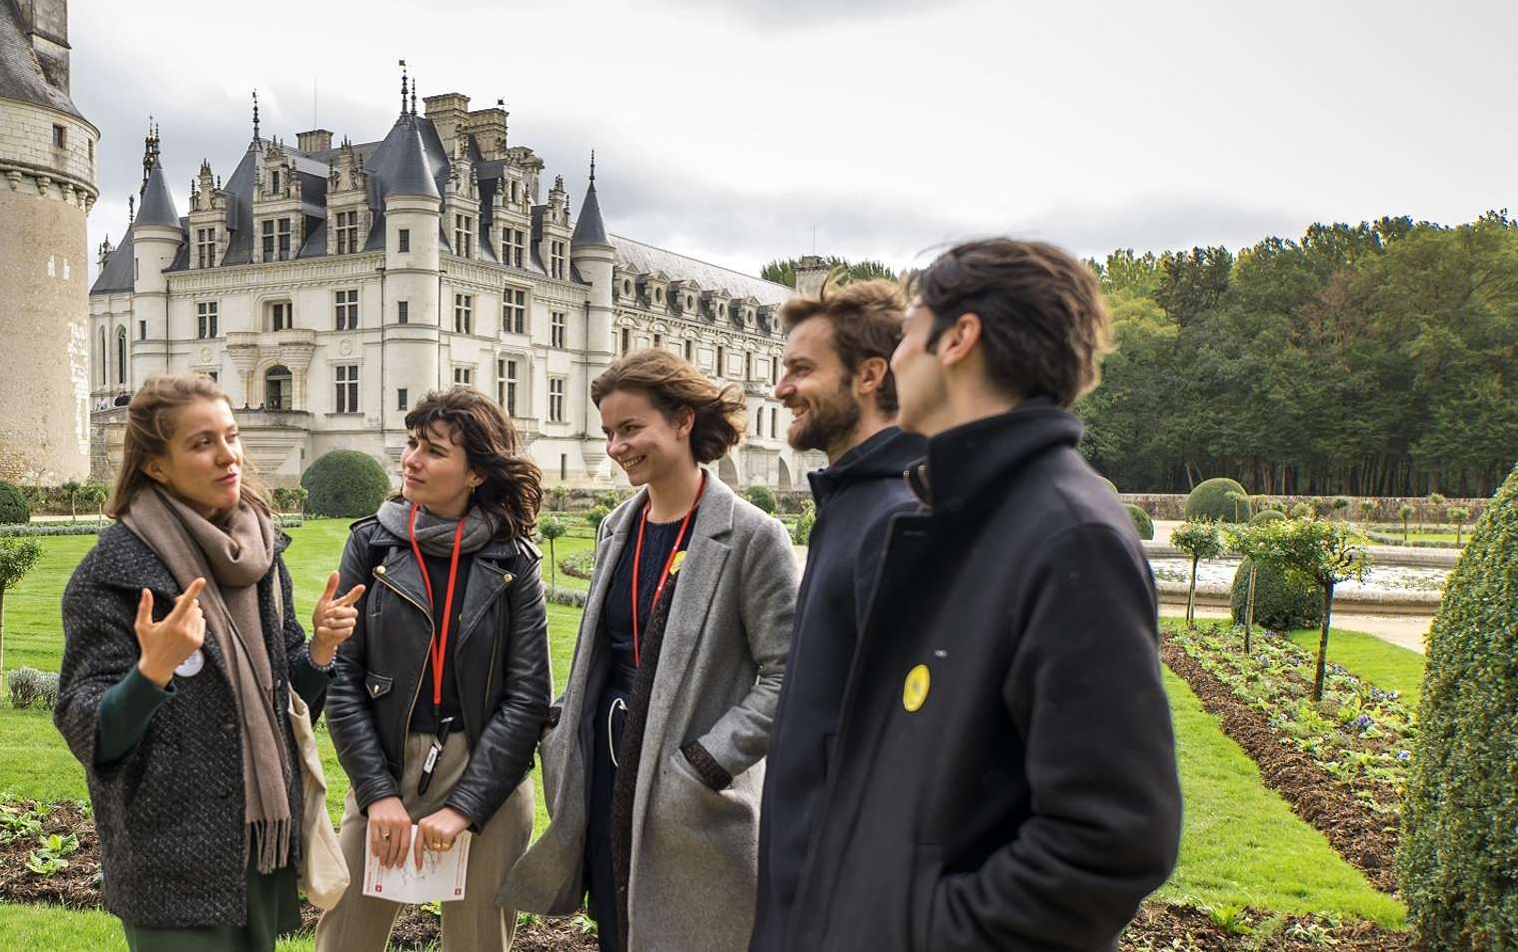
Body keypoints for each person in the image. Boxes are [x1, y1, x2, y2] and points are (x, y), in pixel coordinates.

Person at [783, 239, 1183, 951]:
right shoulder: (952, 516)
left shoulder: (1067, 533)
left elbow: (1111, 836)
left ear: (959, 338)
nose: (896, 359)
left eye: (909, 330)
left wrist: (925, 933)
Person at [54, 373, 364, 952]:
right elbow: (89, 731)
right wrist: (151, 674)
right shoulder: (113, 575)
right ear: (155, 466)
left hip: (257, 846)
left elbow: (283, 704)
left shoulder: (260, 556)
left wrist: (319, 650)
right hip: (172, 854)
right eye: (202, 444)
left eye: (232, 435)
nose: (230, 457)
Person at [502, 349, 798, 952]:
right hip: (610, 774)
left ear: (684, 421)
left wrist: (706, 763)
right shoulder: (617, 526)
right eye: (609, 431)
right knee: (617, 927)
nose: (615, 447)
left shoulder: (751, 536)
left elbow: (789, 674)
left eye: (631, 428)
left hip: (690, 791)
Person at [316, 389, 550, 952]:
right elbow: (343, 680)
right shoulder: (370, 544)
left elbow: (527, 697)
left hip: (485, 773)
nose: (411, 461)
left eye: (434, 451)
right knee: (344, 942)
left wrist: (465, 807)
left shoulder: (514, 560)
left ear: (476, 473)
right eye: (412, 444)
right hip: (387, 765)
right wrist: (377, 794)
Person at [747, 278, 925, 952]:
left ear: (870, 376)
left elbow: (900, 757)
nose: (780, 389)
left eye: (801, 369)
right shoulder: (853, 506)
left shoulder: (894, 518)